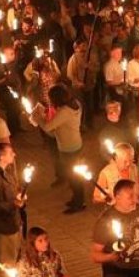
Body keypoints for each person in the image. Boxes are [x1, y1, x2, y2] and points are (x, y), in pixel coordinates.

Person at [32, 85, 86, 213]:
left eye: (51, 99)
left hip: (69, 148)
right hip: (72, 144)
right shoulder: (74, 104)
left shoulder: (65, 111)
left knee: (74, 177)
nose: (50, 101)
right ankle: (77, 199)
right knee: (73, 176)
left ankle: (79, 203)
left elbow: (48, 127)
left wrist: (38, 118)